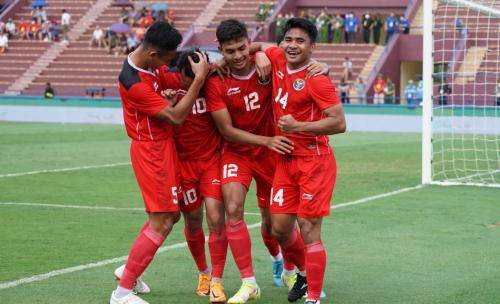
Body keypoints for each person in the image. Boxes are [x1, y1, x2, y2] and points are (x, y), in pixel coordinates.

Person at [110, 21, 209, 304]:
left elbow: (172, 78)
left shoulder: (147, 63)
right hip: (151, 152)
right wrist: (198, 80)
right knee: (162, 221)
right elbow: (177, 117)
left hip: (163, 148)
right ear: (153, 54)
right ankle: (122, 293)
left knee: (170, 216)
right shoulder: (134, 83)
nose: (170, 65)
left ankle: (128, 271)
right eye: (167, 59)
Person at [254, 17, 347, 304]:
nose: (293, 45)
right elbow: (256, 45)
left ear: (312, 47)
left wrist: (298, 127)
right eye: (289, 40)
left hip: (314, 161)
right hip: (285, 159)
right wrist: (258, 53)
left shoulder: (317, 79)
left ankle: (314, 297)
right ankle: (305, 275)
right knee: (279, 227)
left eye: (300, 41)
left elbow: (339, 123)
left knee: (308, 229)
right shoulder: (278, 57)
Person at [205, 19, 292, 303]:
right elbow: (227, 130)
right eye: (231, 51)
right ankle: (249, 282)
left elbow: (291, 52)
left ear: (248, 42)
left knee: (274, 225)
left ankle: (286, 266)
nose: (239, 55)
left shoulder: (265, 62)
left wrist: (262, 49)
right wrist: (266, 140)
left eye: (243, 48)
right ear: (221, 50)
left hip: (270, 153)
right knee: (232, 207)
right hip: (237, 151)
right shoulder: (215, 79)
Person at [156, 49, 229, 303]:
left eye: (195, 77)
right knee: (193, 221)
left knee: (216, 218)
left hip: (212, 162)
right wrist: (168, 99)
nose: (190, 82)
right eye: (186, 78)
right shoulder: (171, 84)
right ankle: (204, 273)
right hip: (184, 165)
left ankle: (217, 280)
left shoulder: (214, 79)